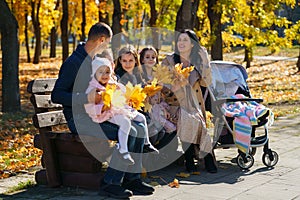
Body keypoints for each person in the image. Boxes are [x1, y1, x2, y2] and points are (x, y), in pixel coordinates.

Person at [51, 22, 155, 199]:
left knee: (138, 129)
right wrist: (86, 98)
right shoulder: (74, 62)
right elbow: (57, 95)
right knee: (130, 132)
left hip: (101, 114)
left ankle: (132, 179)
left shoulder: (94, 60)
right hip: (80, 119)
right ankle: (110, 183)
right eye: (107, 42)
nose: (108, 46)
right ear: (101, 40)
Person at [161, 29, 217, 173]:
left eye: (185, 40)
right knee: (187, 117)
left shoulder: (197, 62)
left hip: (194, 104)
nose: (181, 43)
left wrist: (205, 59)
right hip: (173, 103)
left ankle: (194, 159)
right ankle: (195, 159)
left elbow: (206, 82)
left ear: (193, 44)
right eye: (180, 40)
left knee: (193, 116)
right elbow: (162, 83)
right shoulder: (169, 60)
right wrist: (174, 85)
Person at [84, 57, 158, 165]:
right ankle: (123, 150)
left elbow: (122, 92)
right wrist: (101, 107)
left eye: (107, 72)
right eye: (101, 72)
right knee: (125, 122)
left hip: (117, 109)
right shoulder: (93, 88)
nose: (105, 75)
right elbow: (89, 107)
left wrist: (117, 87)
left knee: (141, 118)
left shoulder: (111, 83)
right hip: (104, 114)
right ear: (95, 73)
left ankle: (147, 143)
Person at [114, 45, 159, 154]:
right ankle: (141, 154)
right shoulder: (118, 76)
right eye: (124, 61)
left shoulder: (137, 73)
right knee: (146, 128)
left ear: (135, 60)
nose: (128, 64)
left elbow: (142, 92)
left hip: (138, 109)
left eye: (131, 60)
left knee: (156, 129)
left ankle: (147, 157)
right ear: (120, 61)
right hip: (123, 111)